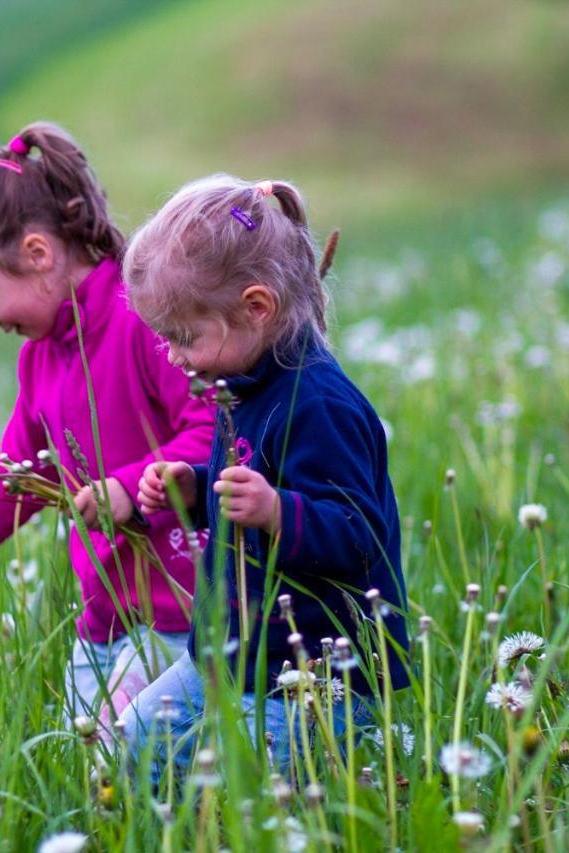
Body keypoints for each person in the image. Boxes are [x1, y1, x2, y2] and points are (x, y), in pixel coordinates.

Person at [0, 123, 214, 723]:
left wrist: (131, 488)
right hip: (105, 618)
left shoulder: (143, 319)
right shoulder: (40, 359)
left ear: (38, 254)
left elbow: (216, 431)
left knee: (140, 762)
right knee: (92, 768)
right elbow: (14, 480)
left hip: (185, 612)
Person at [121, 174, 410, 778]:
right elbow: (242, 496)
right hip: (236, 653)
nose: (173, 356)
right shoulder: (242, 387)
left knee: (261, 791)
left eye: (184, 337)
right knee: (145, 732)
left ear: (256, 308)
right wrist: (195, 491)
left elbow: (360, 535)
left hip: (313, 674)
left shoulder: (319, 404)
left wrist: (278, 509)